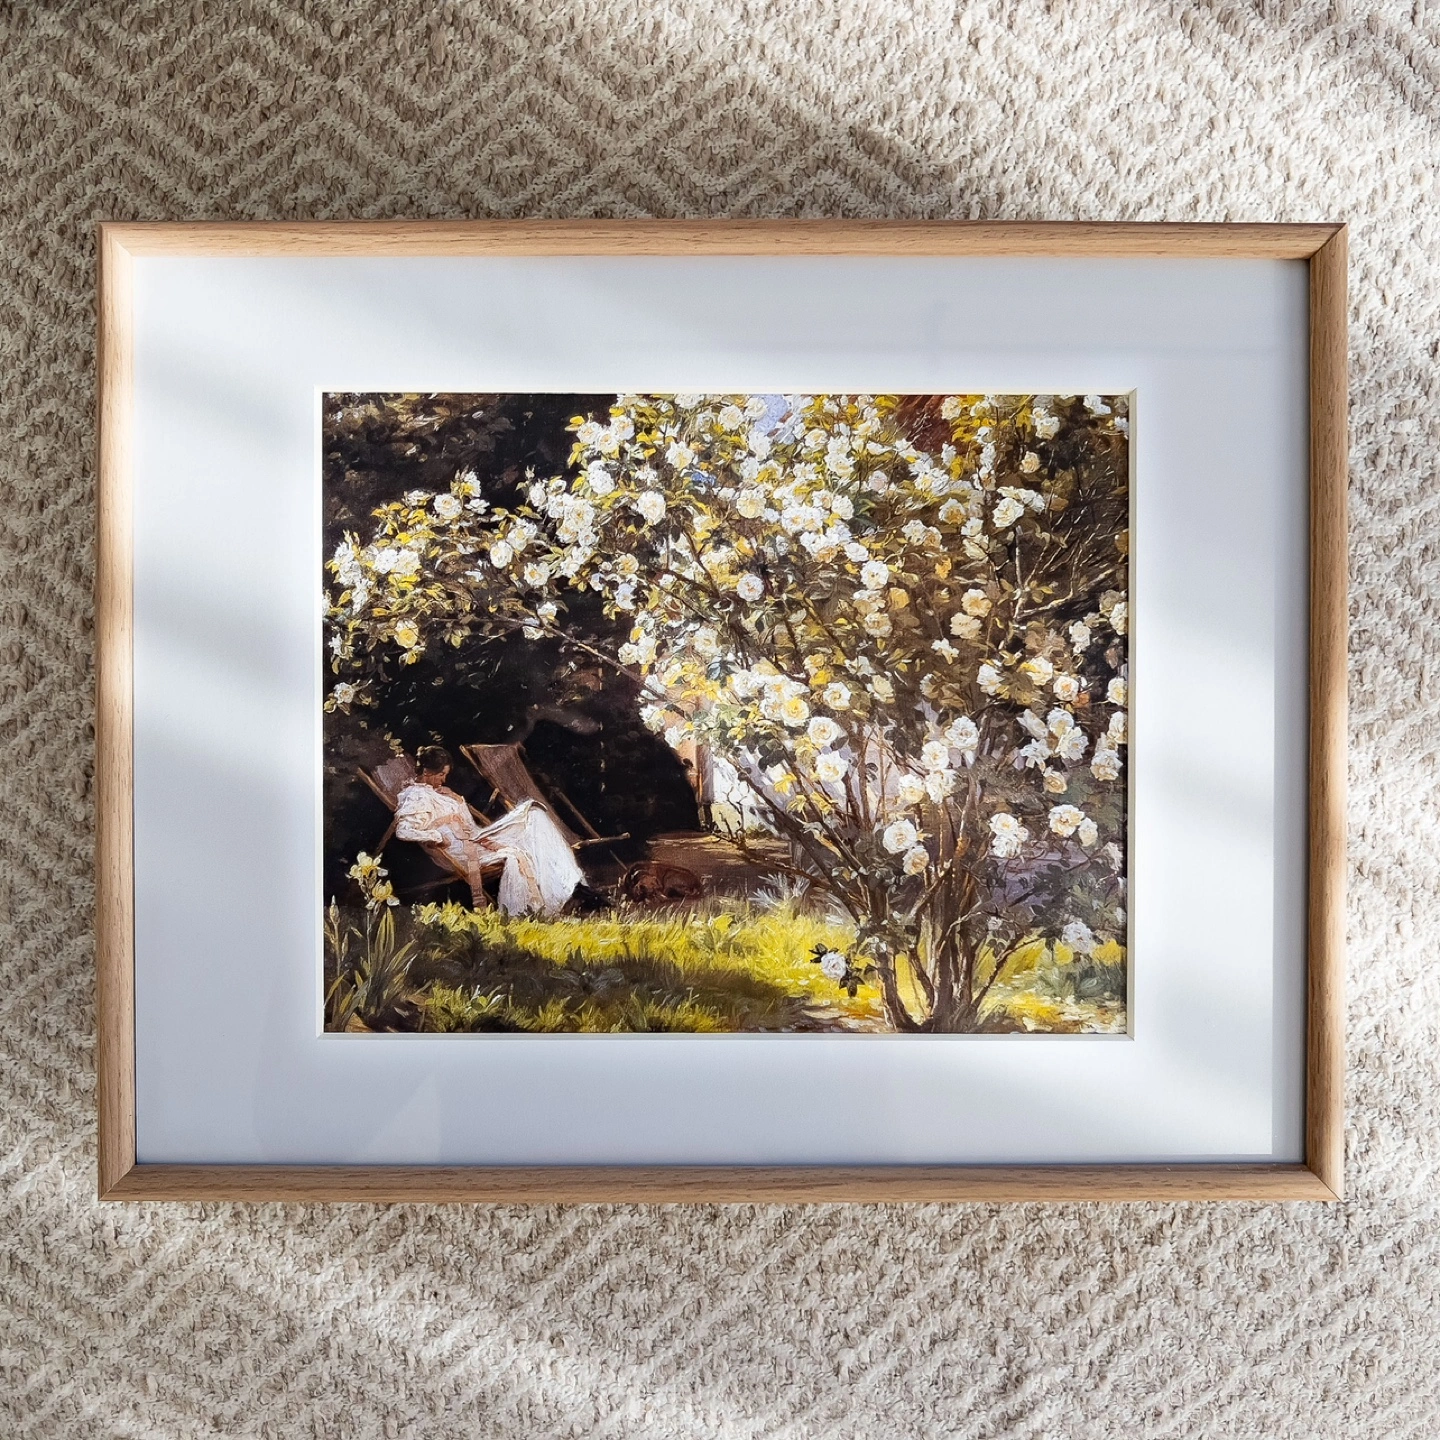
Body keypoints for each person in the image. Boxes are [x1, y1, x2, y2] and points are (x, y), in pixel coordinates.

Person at [393, 746, 583, 916]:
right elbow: (404, 830)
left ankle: (568, 887)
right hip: (460, 851)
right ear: (427, 771)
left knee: (534, 813)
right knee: (517, 847)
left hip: (476, 838)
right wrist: (436, 835)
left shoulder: (440, 792)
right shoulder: (415, 796)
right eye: (441, 775)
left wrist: (458, 801)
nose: (444, 779)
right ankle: (539, 905)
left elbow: (469, 825)